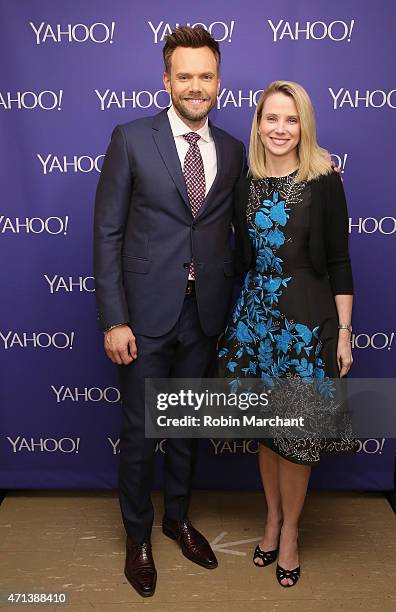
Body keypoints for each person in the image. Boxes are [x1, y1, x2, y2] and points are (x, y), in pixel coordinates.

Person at [93, 26, 246, 597]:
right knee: (139, 434)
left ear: (218, 81)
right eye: (185, 76)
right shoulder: (131, 138)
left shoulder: (231, 150)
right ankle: (138, 536)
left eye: (206, 76)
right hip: (142, 317)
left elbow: (271, 193)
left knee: (185, 428)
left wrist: (321, 167)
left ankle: (177, 519)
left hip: (203, 315)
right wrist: (113, 318)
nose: (196, 86)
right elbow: (106, 232)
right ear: (166, 80)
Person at [218, 81, 359, 587]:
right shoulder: (245, 182)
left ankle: (292, 531)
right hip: (258, 322)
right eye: (271, 118)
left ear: (304, 125)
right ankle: (271, 520)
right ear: (258, 124)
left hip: (307, 323)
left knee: (297, 436)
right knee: (268, 435)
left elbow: (340, 262)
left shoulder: (324, 182)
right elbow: (240, 261)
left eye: (291, 119)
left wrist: (343, 333)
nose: (281, 129)